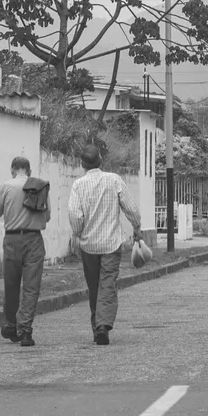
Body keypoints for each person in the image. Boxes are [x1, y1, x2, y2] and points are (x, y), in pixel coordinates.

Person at [69, 144, 144, 345]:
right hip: (111, 243)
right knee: (108, 283)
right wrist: (137, 227)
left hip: (88, 245)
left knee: (94, 286)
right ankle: (103, 325)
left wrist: (77, 233)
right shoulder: (114, 180)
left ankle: (97, 325)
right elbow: (131, 208)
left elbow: (75, 215)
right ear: (100, 160)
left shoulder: (78, 185)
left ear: (82, 164)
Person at [0, 156, 49, 347]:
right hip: (34, 240)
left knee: (11, 284)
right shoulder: (40, 186)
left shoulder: (6, 186)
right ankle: (25, 330)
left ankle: (11, 324)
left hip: (12, 239)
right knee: (31, 287)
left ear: (12, 170)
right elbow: (47, 216)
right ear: (29, 171)